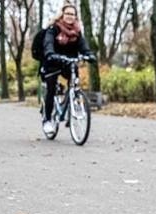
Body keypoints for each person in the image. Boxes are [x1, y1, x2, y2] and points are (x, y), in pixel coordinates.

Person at [40, 3, 96, 135]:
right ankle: (47, 120)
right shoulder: (54, 29)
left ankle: (71, 106)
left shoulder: (77, 31)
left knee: (74, 85)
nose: (70, 16)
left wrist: (89, 54)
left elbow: (83, 45)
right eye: (68, 13)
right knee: (51, 89)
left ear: (76, 17)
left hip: (69, 62)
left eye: (73, 14)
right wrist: (50, 53)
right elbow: (48, 43)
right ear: (62, 15)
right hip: (53, 62)